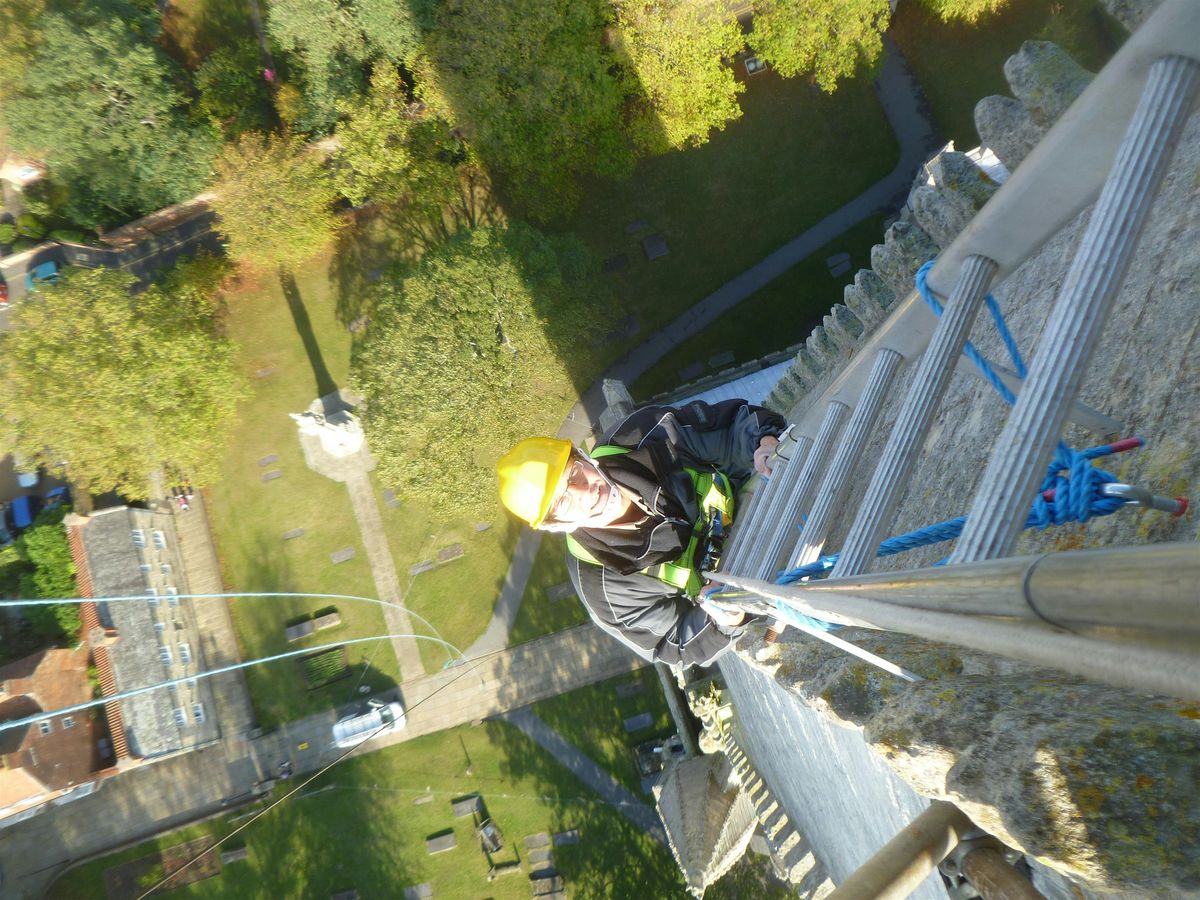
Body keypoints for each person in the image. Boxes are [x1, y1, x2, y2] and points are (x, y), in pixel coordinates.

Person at [497, 399, 785, 667]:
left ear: (582, 456)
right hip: (746, 584)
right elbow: (673, 645)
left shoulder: (642, 436)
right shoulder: (601, 585)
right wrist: (727, 618)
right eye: (563, 501)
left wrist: (765, 444)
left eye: (573, 473)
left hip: (758, 499)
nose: (586, 491)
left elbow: (733, 424)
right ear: (555, 525)